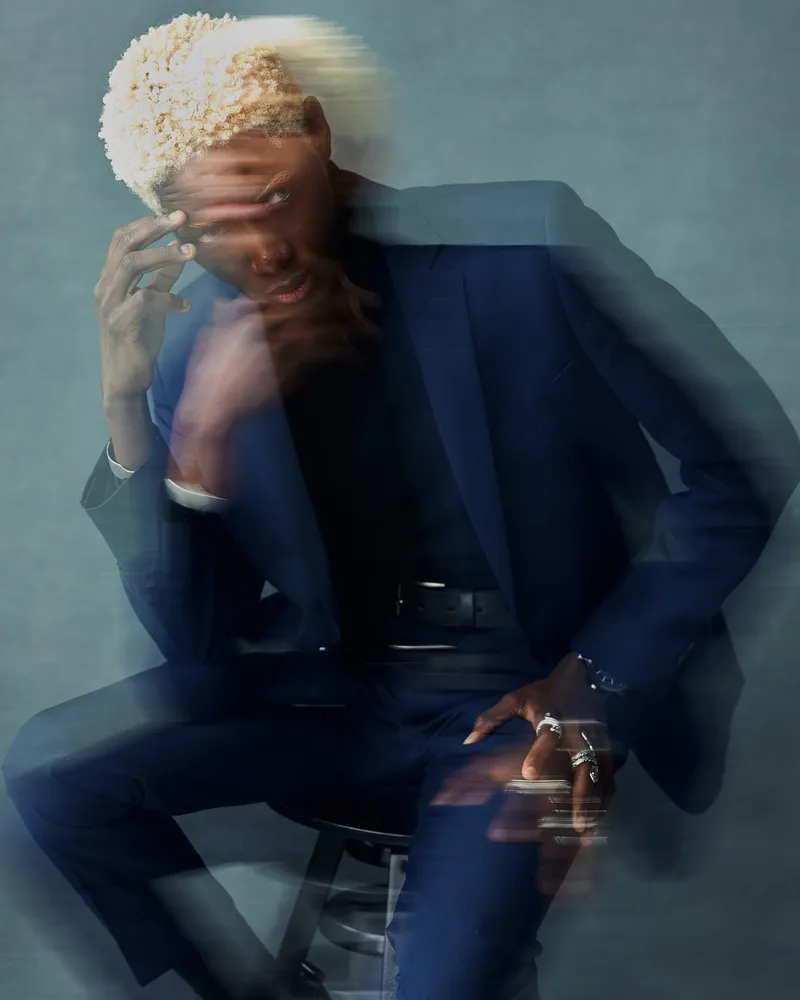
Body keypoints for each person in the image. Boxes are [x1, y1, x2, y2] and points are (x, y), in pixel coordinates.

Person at [4, 12, 799, 1000]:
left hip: (529, 707)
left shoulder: (520, 261)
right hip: (334, 701)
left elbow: (732, 475)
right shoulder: (192, 358)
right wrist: (158, 434)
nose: (261, 253)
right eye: (211, 229)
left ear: (317, 137)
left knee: (445, 980)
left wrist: (590, 683)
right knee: (47, 787)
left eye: (273, 198)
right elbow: (197, 655)